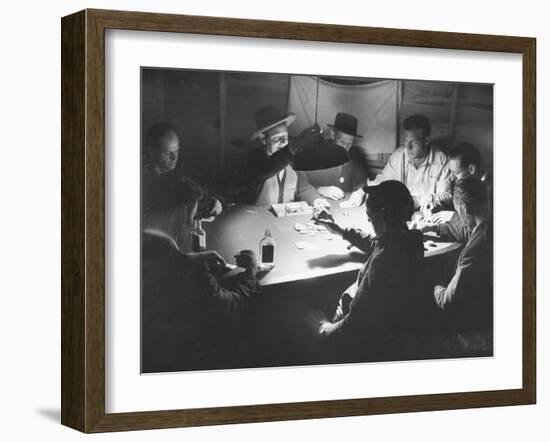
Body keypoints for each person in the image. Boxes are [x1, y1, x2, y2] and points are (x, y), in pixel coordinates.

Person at [141, 174, 260, 372]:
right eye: (191, 216)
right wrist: (250, 273)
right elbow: (230, 307)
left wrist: (192, 258)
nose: (189, 223)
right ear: (181, 213)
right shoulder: (189, 270)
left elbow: (163, 262)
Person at [314, 181, 426, 360]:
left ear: (382, 219)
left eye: (370, 216)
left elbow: (355, 322)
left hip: (366, 338)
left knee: (303, 312)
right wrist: (342, 232)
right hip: (393, 326)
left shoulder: (382, 262)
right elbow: (378, 243)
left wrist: (326, 330)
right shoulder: (411, 239)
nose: (368, 220)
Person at [431, 178, 493, 350]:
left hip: (477, 323)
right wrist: (433, 229)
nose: (459, 216)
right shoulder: (491, 224)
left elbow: (446, 301)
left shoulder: (475, 250)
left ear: (464, 208)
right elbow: (466, 231)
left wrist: (432, 284)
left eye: (458, 212)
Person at [348, 114, 452, 211]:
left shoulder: (442, 161)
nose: (408, 147)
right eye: (406, 141)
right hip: (400, 213)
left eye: (414, 142)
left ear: (426, 140)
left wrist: (419, 200)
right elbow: (381, 182)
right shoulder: (399, 156)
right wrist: (363, 191)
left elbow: (446, 196)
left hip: (427, 213)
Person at [242, 105, 328, 207]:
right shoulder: (255, 158)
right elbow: (268, 168)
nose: (283, 143)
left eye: (285, 137)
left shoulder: (294, 158)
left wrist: (316, 200)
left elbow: (303, 187)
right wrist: (294, 147)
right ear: (263, 139)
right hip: (259, 219)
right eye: (277, 139)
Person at [142, 122, 223, 218]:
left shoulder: (173, 169)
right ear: (151, 151)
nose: (175, 157)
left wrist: (217, 200)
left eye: (177, 151)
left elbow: (204, 192)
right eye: (168, 153)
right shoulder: (145, 182)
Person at [303, 112, 368, 201]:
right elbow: (301, 184)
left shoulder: (355, 155)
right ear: (333, 135)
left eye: (349, 144)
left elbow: (361, 181)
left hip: (344, 208)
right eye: (342, 142)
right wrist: (320, 189)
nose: (345, 148)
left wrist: (360, 191)